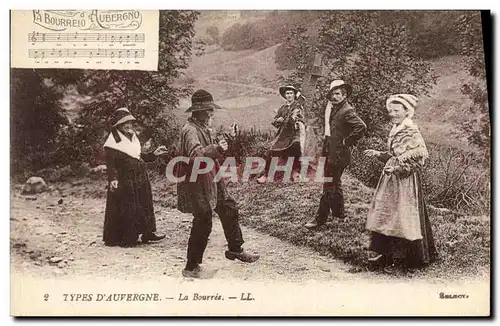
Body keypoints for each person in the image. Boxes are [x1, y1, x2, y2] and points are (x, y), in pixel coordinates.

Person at [176, 89, 260, 279]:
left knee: (228, 207)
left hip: (211, 178)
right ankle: (191, 267)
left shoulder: (202, 127)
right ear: (198, 111)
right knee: (203, 221)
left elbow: (209, 152)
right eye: (208, 110)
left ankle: (235, 249)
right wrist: (216, 148)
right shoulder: (190, 130)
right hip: (197, 183)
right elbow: (196, 156)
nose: (211, 113)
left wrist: (224, 142)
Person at [364, 94, 437, 273]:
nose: (393, 114)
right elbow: (395, 155)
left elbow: (416, 162)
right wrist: (378, 154)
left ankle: (402, 259)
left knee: (402, 217)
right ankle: (385, 254)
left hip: (404, 182)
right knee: (386, 214)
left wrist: (396, 170)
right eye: (390, 111)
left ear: (407, 111)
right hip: (390, 180)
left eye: (396, 111)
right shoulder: (396, 128)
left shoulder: (411, 131)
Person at [305, 80, 367, 229]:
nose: (335, 96)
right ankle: (340, 214)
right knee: (335, 183)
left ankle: (320, 219)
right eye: (333, 94)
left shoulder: (347, 110)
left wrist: (347, 142)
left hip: (339, 154)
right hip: (332, 152)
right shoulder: (335, 108)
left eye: (338, 94)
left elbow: (361, 127)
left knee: (328, 186)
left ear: (344, 95)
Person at [103, 107, 167, 247]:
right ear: (118, 125)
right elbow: (110, 163)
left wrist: (153, 154)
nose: (128, 125)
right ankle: (128, 237)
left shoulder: (132, 137)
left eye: (130, 122)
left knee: (145, 203)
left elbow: (137, 156)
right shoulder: (113, 140)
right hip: (125, 178)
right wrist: (113, 179)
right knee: (128, 206)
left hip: (139, 176)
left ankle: (148, 233)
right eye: (124, 123)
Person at [256, 85, 306, 183]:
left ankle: (295, 172)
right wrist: (278, 120)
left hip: (294, 133)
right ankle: (266, 175)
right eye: (287, 93)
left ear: (294, 95)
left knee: (296, 147)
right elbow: (275, 122)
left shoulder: (298, 106)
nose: (289, 95)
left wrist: (294, 118)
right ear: (285, 96)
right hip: (283, 134)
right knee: (273, 150)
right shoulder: (282, 108)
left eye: (291, 93)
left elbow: (300, 119)